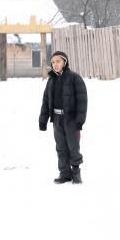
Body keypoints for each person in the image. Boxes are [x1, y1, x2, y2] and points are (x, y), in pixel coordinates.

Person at [39, 51, 87, 184]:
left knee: (73, 146)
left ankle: (76, 173)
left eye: (58, 61)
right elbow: (46, 100)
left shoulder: (74, 78)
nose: (55, 64)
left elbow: (82, 101)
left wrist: (79, 121)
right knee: (61, 147)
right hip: (57, 119)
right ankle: (65, 173)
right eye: (53, 62)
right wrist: (43, 120)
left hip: (70, 119)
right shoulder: (51, 80)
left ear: (64, 62)